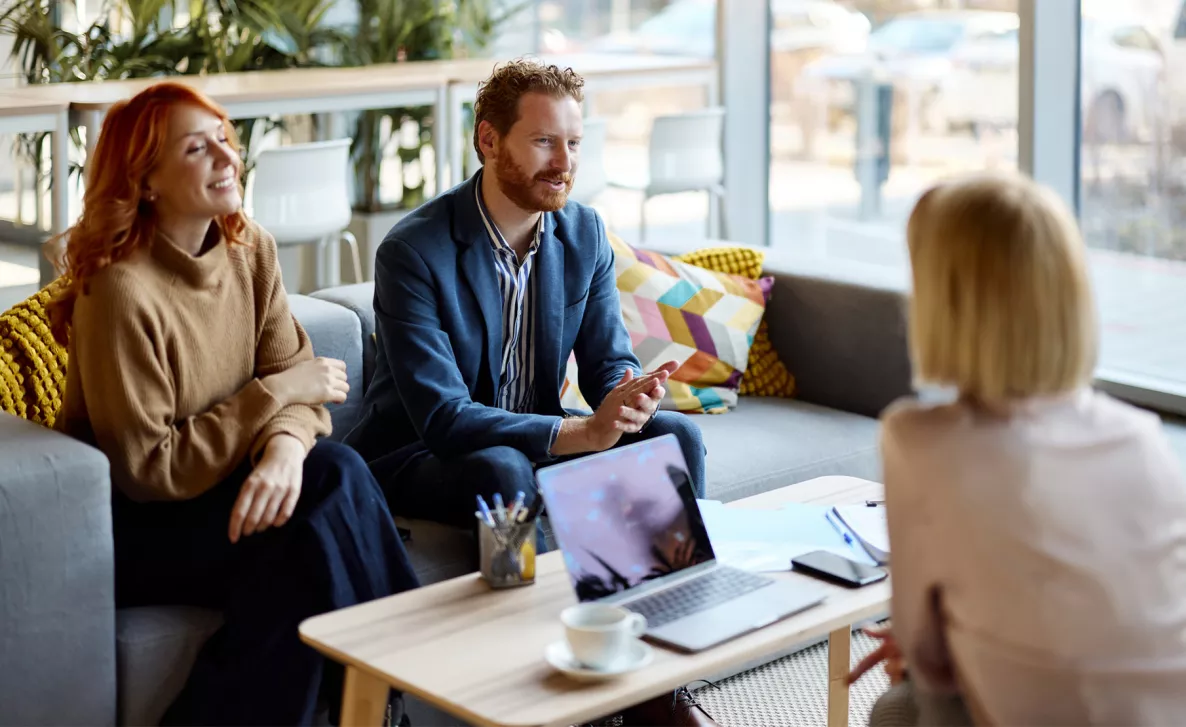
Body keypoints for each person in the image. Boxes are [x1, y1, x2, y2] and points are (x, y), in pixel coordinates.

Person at [49, 81, 420, 725]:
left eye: (225, 138)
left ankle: (377, 700)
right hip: (136, 527)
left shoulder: (251, 250)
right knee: (336, 476)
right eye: (198, 149)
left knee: (299, 561)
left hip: (232, 494)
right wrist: (273, 399)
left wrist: (282, 450)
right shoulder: (118, 290)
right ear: (146, 182)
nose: (226, 157)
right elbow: (148, 471)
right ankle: (410, 669)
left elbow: (299, 377)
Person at [850, 171, 1186, 725]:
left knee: (896, 710)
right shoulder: (1142, 436)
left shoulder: (919, 443)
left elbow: (927, 664)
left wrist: (929, 649)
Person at [344, 58, 706, 536]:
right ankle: (537, 609)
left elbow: (606, 364)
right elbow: (443, 416)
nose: (564, 163)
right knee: (504, 469)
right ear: (489, 140)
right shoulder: (412, 252)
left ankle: (673, 590)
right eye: (544, 142)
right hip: (423, 452)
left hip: (534, 438)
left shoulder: (585, 233)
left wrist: (630, 395)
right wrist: (579, 434)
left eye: (573, 143)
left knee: (676, 434)